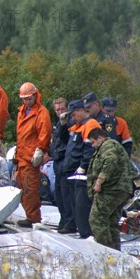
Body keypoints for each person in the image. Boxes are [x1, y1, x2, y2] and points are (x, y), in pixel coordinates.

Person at [87, 128, 134, 250]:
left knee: (97, 219)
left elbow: (110, 161)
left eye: (93, 142)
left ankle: (106, 251)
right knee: (111, 222)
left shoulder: (108, 145)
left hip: (112, 189)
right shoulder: (110, 145)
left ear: (100, 138)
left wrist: (99, 182)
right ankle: (115, 253)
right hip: (120, 189)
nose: (92, 146)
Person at [61, 99, 102, 238]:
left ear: (80, 111)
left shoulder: (90, 124)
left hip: (81, 173)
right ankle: (81, 232)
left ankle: (86, 235)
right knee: (74, 205)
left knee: (82, 205)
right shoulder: (78, 126)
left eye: (73, 115)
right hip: (72, 171)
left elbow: (90, 149)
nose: (72, 118)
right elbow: (63, 137)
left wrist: (83, 167)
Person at [14, 82, 52, 228]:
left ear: (35, 96)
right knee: (22, 186)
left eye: (29, 98)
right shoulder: (21, 112)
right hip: (21, 156)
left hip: (31, 157)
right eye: (24, 99)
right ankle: (29, 215)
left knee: (31, 188)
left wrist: (40, 149)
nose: (27, 101)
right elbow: (20, 135)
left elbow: (45, 132)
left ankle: (33, 217)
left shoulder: (41, 112)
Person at [49, 97, 76, 232]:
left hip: (66, 161)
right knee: (58, 195)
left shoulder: (69, 122)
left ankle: (70, 223)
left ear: (67, 109)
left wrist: (64, 124)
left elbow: (66, 139)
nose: (60, 111)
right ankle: (63, 220)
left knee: (66, 195)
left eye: (62, 109)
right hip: (57, 161)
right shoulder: (57, 123)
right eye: (57, 109)